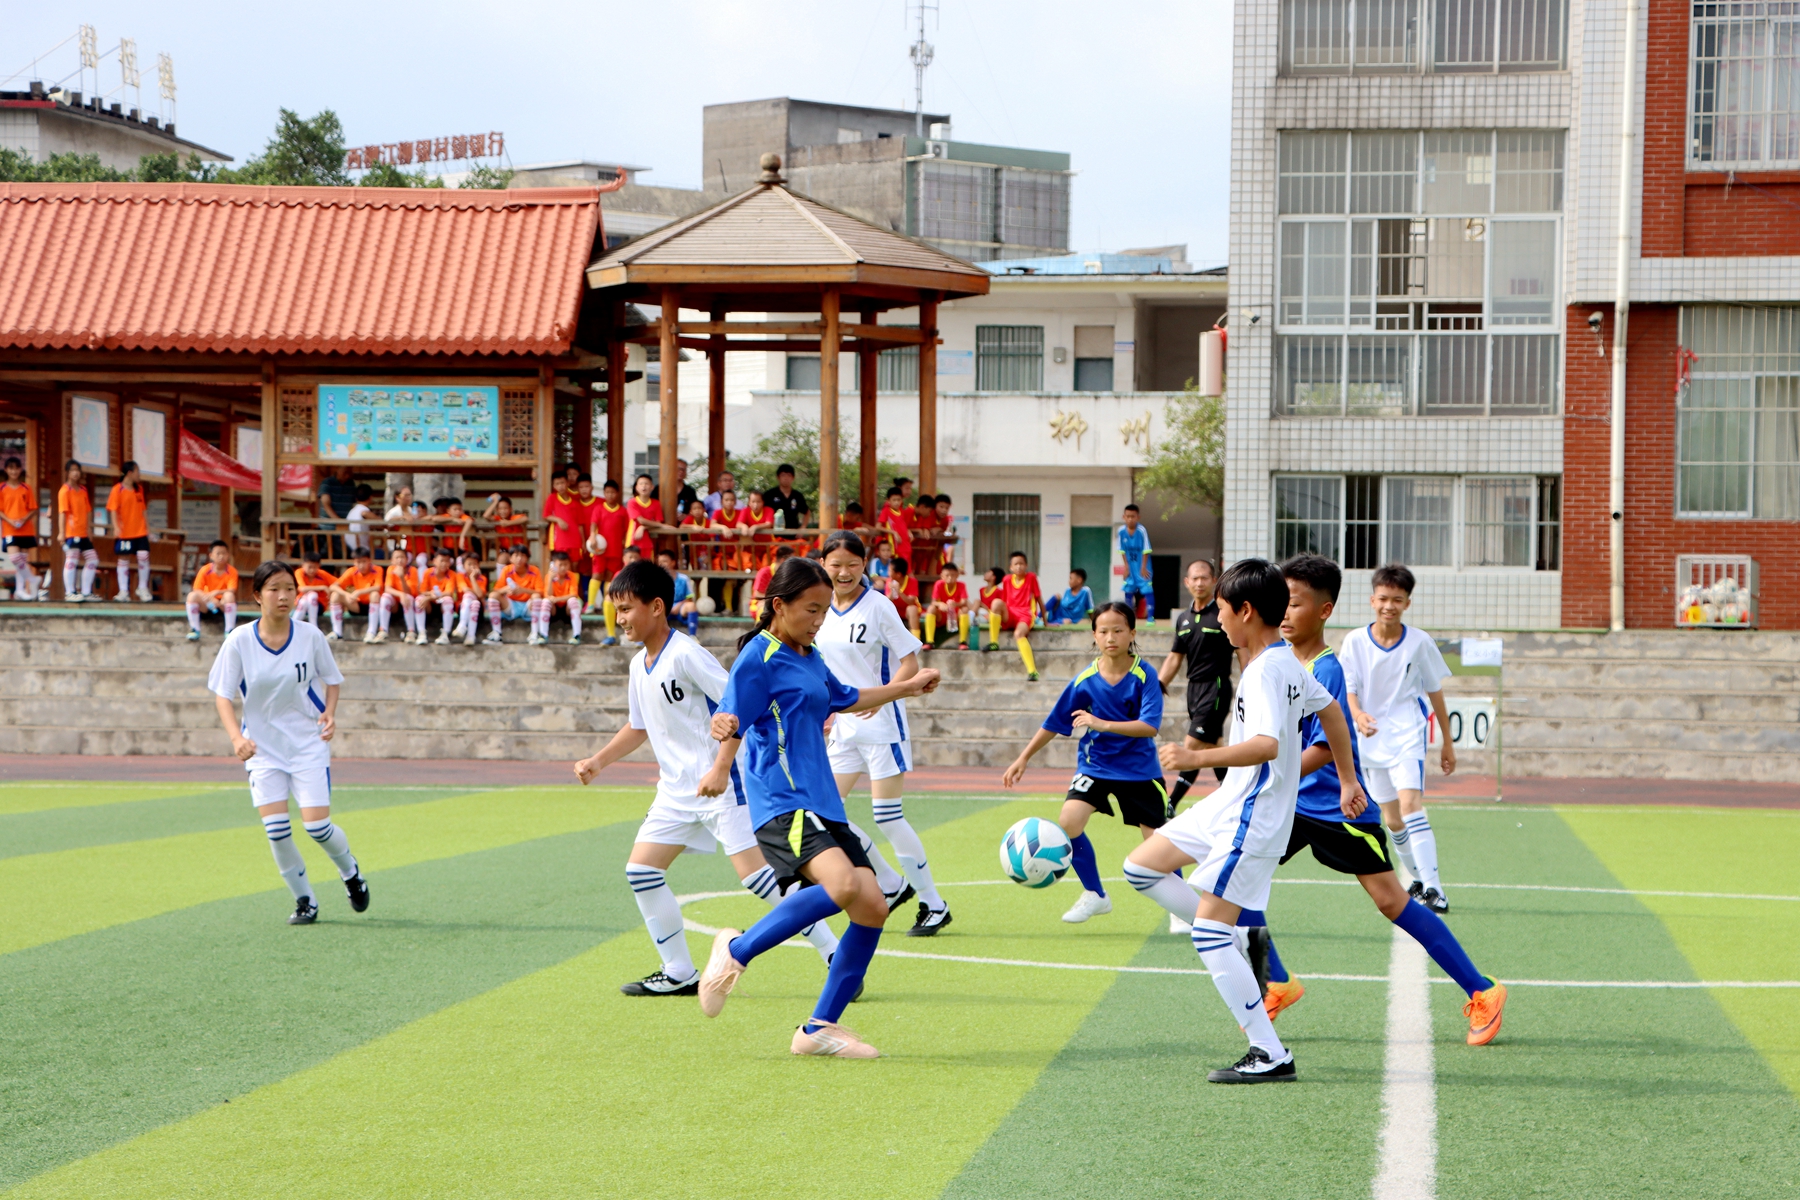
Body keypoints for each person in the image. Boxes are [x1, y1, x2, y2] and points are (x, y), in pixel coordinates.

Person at [1245, 554, 1508, 1044]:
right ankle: (1276, 979)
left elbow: (1325, 747)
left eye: (1293, 603)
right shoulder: (1278, 661)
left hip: (1332, 808)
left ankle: (1483, 989)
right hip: (1287, 806)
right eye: (1278, 602)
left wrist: (1272, 774)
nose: (1281, 612)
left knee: (1391, 901)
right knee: (1233, 882)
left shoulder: (1327, 669)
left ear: (1323, 611)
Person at [693, 556, 942, 1057]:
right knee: (844, 885)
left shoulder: (808, 654)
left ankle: (818, 1029)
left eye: (826, 610)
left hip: (822, 800)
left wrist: (905, 688)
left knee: (872, 906)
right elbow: (731, 716)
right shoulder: (758, 658)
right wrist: (721, 766)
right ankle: (735, 950)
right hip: (781, 799)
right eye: (812, 609)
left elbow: (844, 697)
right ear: (778, 606)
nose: (820, 619)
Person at [1126, 558, 1360, 1084]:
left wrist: (1193, 759)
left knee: (1206, 931)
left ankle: (1269, 1053)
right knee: (1141, 867)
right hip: (1231, 803)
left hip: (1253, 817)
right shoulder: (1285, 664)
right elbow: (1333, 714)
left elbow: (1266, 746)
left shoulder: (1266, 672)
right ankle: (1233, 938)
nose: (1217, 618)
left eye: (1222, 610)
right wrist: (1347, 779)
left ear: (1246, 611)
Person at [574, 559, 839, 995]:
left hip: (722, 787)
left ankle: (832, 951)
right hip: (676, 793)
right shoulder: (639, 665)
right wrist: (598, 761)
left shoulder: (686, 653)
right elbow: (638, 726)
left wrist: (720, 766)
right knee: (641, 871)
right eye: (616, 610)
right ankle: (678, 970)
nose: (619, 619)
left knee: (761, 880)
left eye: (626, 609)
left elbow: (738, 705)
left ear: (657, 606)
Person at [208, 559, 368, 925]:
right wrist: (236, 737)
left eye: (290, 589)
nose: (284, 596)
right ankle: (305, 901)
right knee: (277, 831)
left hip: (307, 744)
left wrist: (329, 714)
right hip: (262, 750)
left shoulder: (310, 636)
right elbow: (222, 694)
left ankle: (350, 872)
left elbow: (332, 679)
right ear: (257, 596)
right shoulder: (239, 640)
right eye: (274, 589)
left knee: (317, 828)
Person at [817, 530, 952, 936]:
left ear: (865, 565)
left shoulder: (878, 606)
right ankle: (892, 885)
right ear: (823, 564)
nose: (843, 573)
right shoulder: (818, 608)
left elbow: (910, 662)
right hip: (844, 727)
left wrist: (885, 695)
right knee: (824, 814)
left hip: (881, 724)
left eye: (852, 565)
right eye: (835, 565)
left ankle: (934, 904)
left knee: (887, 816)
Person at [1001, 602, 1167, 924]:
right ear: (1094, 635)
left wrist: (1102, 723)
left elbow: (1150, 726)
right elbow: (1054, 722)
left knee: (1158, 844)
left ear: (1132, 633)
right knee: (1069, 821)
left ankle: (1182, 906)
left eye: (1118, 630)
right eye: (1103, 631)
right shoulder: (1085, 680)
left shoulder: (1145, 675)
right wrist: (1024, 757)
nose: (1110, 637)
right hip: (1096, 765)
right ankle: (1095, 894)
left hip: (1139, 770)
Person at [1341, 563, 1457, 913]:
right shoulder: (1355, 641)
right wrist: (1358, 714)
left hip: (1408, 733)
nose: (1389, 605)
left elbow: (1435, 692)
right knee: (1392, 820)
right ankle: (1418, 879)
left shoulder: (1420, 642)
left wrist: (1447, 742)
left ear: (1407, 603)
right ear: (1372, 600)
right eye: (1383, 598)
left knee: (1410, 807)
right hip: (1372, 740)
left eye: (1397, 600)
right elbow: (1349, 688)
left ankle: (1435, 888)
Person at [1159, 559, 1236, 815]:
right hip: (1194, 689)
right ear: (1187, 583)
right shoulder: (1183, 618)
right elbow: (1174, 658)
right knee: (1213, 747)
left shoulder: (1224, 614)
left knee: (1192, 745)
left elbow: (1244, 652)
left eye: (1205, 578)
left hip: (1216, 688)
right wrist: (1159, 684)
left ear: (1214, 581)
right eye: (1195, 578)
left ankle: (1171, 802)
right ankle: (1233, 795)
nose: (1200, 583)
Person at [987, 550, 1044, 681]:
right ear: (1010, 567)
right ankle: (993, 642)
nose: (1019, 566)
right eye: (1016, 564)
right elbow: (1004, 601)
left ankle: (1032, 671)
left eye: (1021, 563)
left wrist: (1046, 621)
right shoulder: (1006, 579)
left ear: (1026, 565)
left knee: (1018, 634)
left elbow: (1039, 599)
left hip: (1025, 615)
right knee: (996, 602)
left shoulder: (1031, 577)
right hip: (1011, 614)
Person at [590, 479, 630, 644]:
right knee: (597, 573)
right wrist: (592, 537)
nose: (610, 495)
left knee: (610, 576)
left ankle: (610, 602)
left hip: (615, 550)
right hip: (600, 548)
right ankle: (591, 604)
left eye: (613, 492)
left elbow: (627, 530)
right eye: (607, 492)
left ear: (617, 494)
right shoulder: (599, 508)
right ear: (604, 493)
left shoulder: (622, 511)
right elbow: (593, 525)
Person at [106, 460, 152, 602]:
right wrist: (116, 527)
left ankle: (142, 587)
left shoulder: (139, 489)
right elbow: (113, 510)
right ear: (130, 473)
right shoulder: (117, 489)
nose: (139, 475)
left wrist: (147, 527)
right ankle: (123, 591)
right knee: (123, 559)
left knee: (143, 557)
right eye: (138, 471)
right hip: (125, 532)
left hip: (140, 531)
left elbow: (143, 509)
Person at [1, 455, 42, 602]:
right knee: (14, 558)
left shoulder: (26, 488)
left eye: (16, 468)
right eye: (11, 468)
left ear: (20, 470)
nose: (14, 471)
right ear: (6, 470)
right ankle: (31, 579)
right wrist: (9, 520)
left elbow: (33, 508)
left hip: (25, 528)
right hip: (9, 528)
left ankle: (20, 590)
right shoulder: (2, 488)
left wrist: (24, 518)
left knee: (22, 561)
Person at [57, 459, 97, 602]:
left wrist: (89, 529)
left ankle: (86, 592)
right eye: (72, 470)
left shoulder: (83, 490)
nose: (75, 473)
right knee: (72, 560)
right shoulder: (64, 491)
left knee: (92, 559)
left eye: (77, 470)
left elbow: (87, 511)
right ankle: (70, 592)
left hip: (83, 532)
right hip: (71, 532)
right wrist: (61, 532)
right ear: (67, 472)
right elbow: (62, 512)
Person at [486, 546, 543, 644]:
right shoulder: (506, 570)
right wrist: (506, 589)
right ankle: (496, 633)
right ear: (510, 558)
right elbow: (496, 590)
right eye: (516, 555)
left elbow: (540, 592)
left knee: (536, 597)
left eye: (523, 556)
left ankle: (534, 633)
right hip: (510, 605)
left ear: (527, 558)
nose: (519, 559)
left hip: (528, 606)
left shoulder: (535, 571)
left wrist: (522, 590)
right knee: (493, 596)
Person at [185, 540, 239, 641]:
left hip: (223, 604)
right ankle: (194, 629)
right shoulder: (205, 570)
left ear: (228, 555)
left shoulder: (232, 571)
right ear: (211, 556)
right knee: (192, 596)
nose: (221, 556)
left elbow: (232, 589)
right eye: (218, 553)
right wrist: (210, 599)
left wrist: (217, 593)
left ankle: (229, 630)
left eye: (224, 553)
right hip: (206, 604)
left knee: (229, 596)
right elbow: (197, 589)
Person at [327, 548, 384, 642]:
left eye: (364, 561)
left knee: (374, 594)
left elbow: (378, 587)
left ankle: (371, 632)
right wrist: (346, 594)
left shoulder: (377, 569)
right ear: (354, 562)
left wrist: (359, 591)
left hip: (372, 604)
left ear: (369, 560)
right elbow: (333, 586)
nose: (361, 565)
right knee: (335, 595)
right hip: (356, 604)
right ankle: (337, 632)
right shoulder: (351, 571)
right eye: (358, 562)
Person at [1116, 503, 1155, 624]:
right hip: (1130, 567)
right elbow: (1122, 550)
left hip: (1142, 567)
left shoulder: (1141, 530)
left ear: (1138, 517)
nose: (1130, 519)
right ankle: (1129, 618)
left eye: (1133, 516)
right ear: (1124, 517)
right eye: (1128, 516)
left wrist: (1143, 567)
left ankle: (1150, 618)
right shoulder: (1121, 531)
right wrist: (1125, 567)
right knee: (1128, 590)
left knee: (1147, 590)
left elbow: (1146, 550)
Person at [415, 548, 461, 644]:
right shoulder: (428, 572)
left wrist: (431, 596)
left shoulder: (452, 574)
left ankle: (445, 634)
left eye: (447, 561)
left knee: (448, 600)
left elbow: (448, 592)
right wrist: (429, 595)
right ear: (435, 561)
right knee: (419, 600)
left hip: (442, 605)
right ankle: (421, 633)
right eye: (442, 561)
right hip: (430, 606)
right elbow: (422, 590)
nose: (444, 564)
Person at [378, 546, 420, 645]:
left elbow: (410, 592)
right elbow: (387, 589)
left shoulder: (412, 570)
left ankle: (411, 631)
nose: (400, 560)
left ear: (407, 559)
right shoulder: (391, 569)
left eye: (402, 557)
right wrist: (401, 594)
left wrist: (401, 577)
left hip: (408, 602)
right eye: (397, 558)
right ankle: (383, 630)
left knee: (407, 597)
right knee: (385, 597)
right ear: (392, 560)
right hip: (395, 604)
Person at [926, 560, 972, 650]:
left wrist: (956, 604)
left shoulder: (961, 585)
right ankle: (929, 641)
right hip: (942, 615)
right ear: (942, 576)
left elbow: (964, 601)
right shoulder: (938, 584)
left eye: (953, 575)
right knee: (931, 609)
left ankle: (963, 641)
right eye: (947, 575)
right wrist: (940, 604)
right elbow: (933, 601)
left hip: (955, 615)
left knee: (965, 609)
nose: (950, 578)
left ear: (957, 575)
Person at [540, 550, 584, 645]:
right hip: (554, 609)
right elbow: (547, 595)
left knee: (573, 601)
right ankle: (543, 634)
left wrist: (557, 599)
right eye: (560, 565)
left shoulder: (571, 576)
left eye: (566, 564)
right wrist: (551, 580)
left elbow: (573, 594)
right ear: (554, 565)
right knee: (545, 602)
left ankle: (577, 635)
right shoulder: (549, 576)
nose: (563, 568)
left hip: (566, 609)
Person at [655, 548, 700, 637]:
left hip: (679, 607)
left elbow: (689, 598)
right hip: (663, 608)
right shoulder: (656, 580)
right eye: (659, 562)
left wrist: (677, 606)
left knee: (691, 606)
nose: (661, 564)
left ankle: (692, 635)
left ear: (673, 562)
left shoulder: (683, 578)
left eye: (664, 561)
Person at [451, 551, 488, 645]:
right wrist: (475, 592)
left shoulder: (482, 578)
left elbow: (480, 595)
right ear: (463, 566)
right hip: (463, 608)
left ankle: (463, 626)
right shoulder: (460, 576)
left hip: (479, 611)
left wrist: (472, 578)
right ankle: (470, 635)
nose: (472, 566)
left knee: (475, 602)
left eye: (475, 564)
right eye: (469, 564)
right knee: (470, 598)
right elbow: (465, 589)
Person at [293, 551, 337, 627]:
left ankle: (294, 623)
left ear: (319, 566)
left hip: (319, 606)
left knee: (311, 596)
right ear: (303, 565)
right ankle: (312, 624)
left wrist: (330, 591)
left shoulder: (323, 574)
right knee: (307, 598)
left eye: (315, 567)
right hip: (301, 603)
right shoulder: (299, 572)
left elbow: (339, 582)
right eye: (309, 567)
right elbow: (302, 589)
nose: (312, 570)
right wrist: (322, 587)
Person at [625, 473, 663, 560]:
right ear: (636, 487)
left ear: (652, 487)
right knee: (632, 569)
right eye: (641, 484)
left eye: (646, 484)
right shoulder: (632, 502)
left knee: (647, 569)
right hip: (633, 540)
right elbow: (640, 520)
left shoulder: (656, 503)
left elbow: (658, 522)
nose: (644, 486)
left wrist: (643, 527)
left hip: (648, 542)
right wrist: (659, 525)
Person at [750, 543, 793, 618]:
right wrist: (775, 599)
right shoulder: (764, 572)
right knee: (764, 609)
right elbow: (758, 595)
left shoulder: (790, 573)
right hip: (763, 603)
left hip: (781, 603)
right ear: (783, 560)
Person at [764, 463, 810, 531]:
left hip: (793, 535)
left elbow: (807, 512)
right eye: (783, 475)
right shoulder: (769, 494)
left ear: (793, 478)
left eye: (789, 475)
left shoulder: (797, 495)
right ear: (778, 477)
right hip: (773, 535)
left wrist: (803, 527)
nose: (786, 478)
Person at [876, 487, 912, 569]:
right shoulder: (886, 511)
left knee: (907, 570)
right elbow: (878, 526)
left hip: (905, 545)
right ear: (888, 501)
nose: (896, 502)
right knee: (898, 571)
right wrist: (893, 532)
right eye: (894, 500)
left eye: (898, 500)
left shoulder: (902, 511)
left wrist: (908, 531)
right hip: (895, 548)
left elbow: (903, 525)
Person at [344, 484, 375, 557]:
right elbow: (381, 523)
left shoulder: (352, 511)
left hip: (348, 548)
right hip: (361, 551)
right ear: (370, 498)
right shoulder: (364, 511)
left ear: (356, 499)